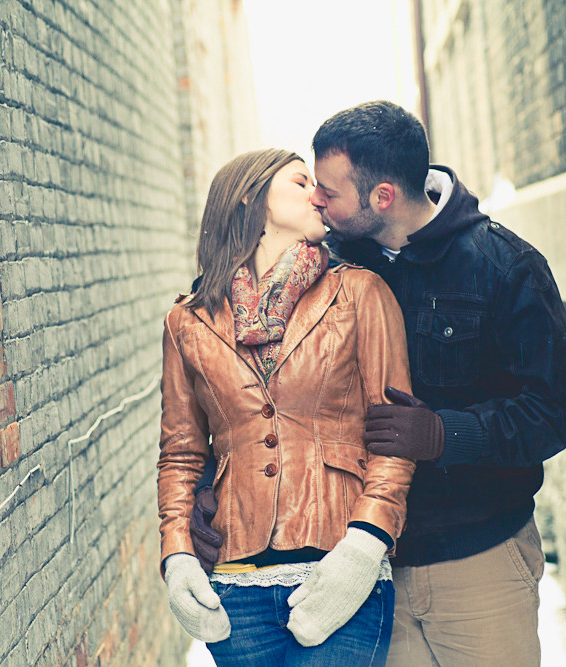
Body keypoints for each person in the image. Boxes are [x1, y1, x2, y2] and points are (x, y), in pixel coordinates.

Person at [190, 102, 566, 666]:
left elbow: (557, 409)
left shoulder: (503, 267)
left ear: (381, 197)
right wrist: (212, 484)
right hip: (360, 574)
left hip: (478, 560)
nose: (316, 200)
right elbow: (232, 380)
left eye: (327, 190)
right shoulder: (319, 269)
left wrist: (445, 435)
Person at [157, 147, 416, 666]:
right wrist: (178, 556)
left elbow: (394, 439)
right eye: (301, 183)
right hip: (236, 589)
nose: (318, 195)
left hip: (340, 573)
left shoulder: (361, 294)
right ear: (253, 198)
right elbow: (181, 455)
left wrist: (365, 547)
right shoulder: (187, 322)